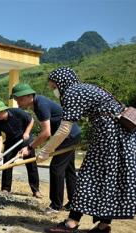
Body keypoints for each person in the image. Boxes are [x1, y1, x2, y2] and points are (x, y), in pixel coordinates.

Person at [42, 67, 136, 233]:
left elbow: (64, 129)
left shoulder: (73, 92)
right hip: (121, 137)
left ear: (62, 83)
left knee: (88, 176)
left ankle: (71, 223)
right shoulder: (85, 88)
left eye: (53, 86)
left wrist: (45, 151)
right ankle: (103, 225)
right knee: (110, 180)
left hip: (110, 138)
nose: (53, 90)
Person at [11, 83, 81, 214]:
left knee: (56, 169)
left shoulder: (40, 105)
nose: (17, 102)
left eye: (19, 99)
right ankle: (74, 202)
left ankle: (55, 206)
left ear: (29, 96)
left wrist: (30, 147)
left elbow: (45, 133)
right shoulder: (38, 103)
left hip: (68, 136)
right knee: (69, 170)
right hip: (70, 134)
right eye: (16, 99)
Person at [0, 101, 41, 198]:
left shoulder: (17, 112)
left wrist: (27, 132)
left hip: (25, 140)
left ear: (4, 110)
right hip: (10, 141)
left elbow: (31, 120)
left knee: (31, 165)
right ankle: (5, 189)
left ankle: (36, 190)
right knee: (7, 164)